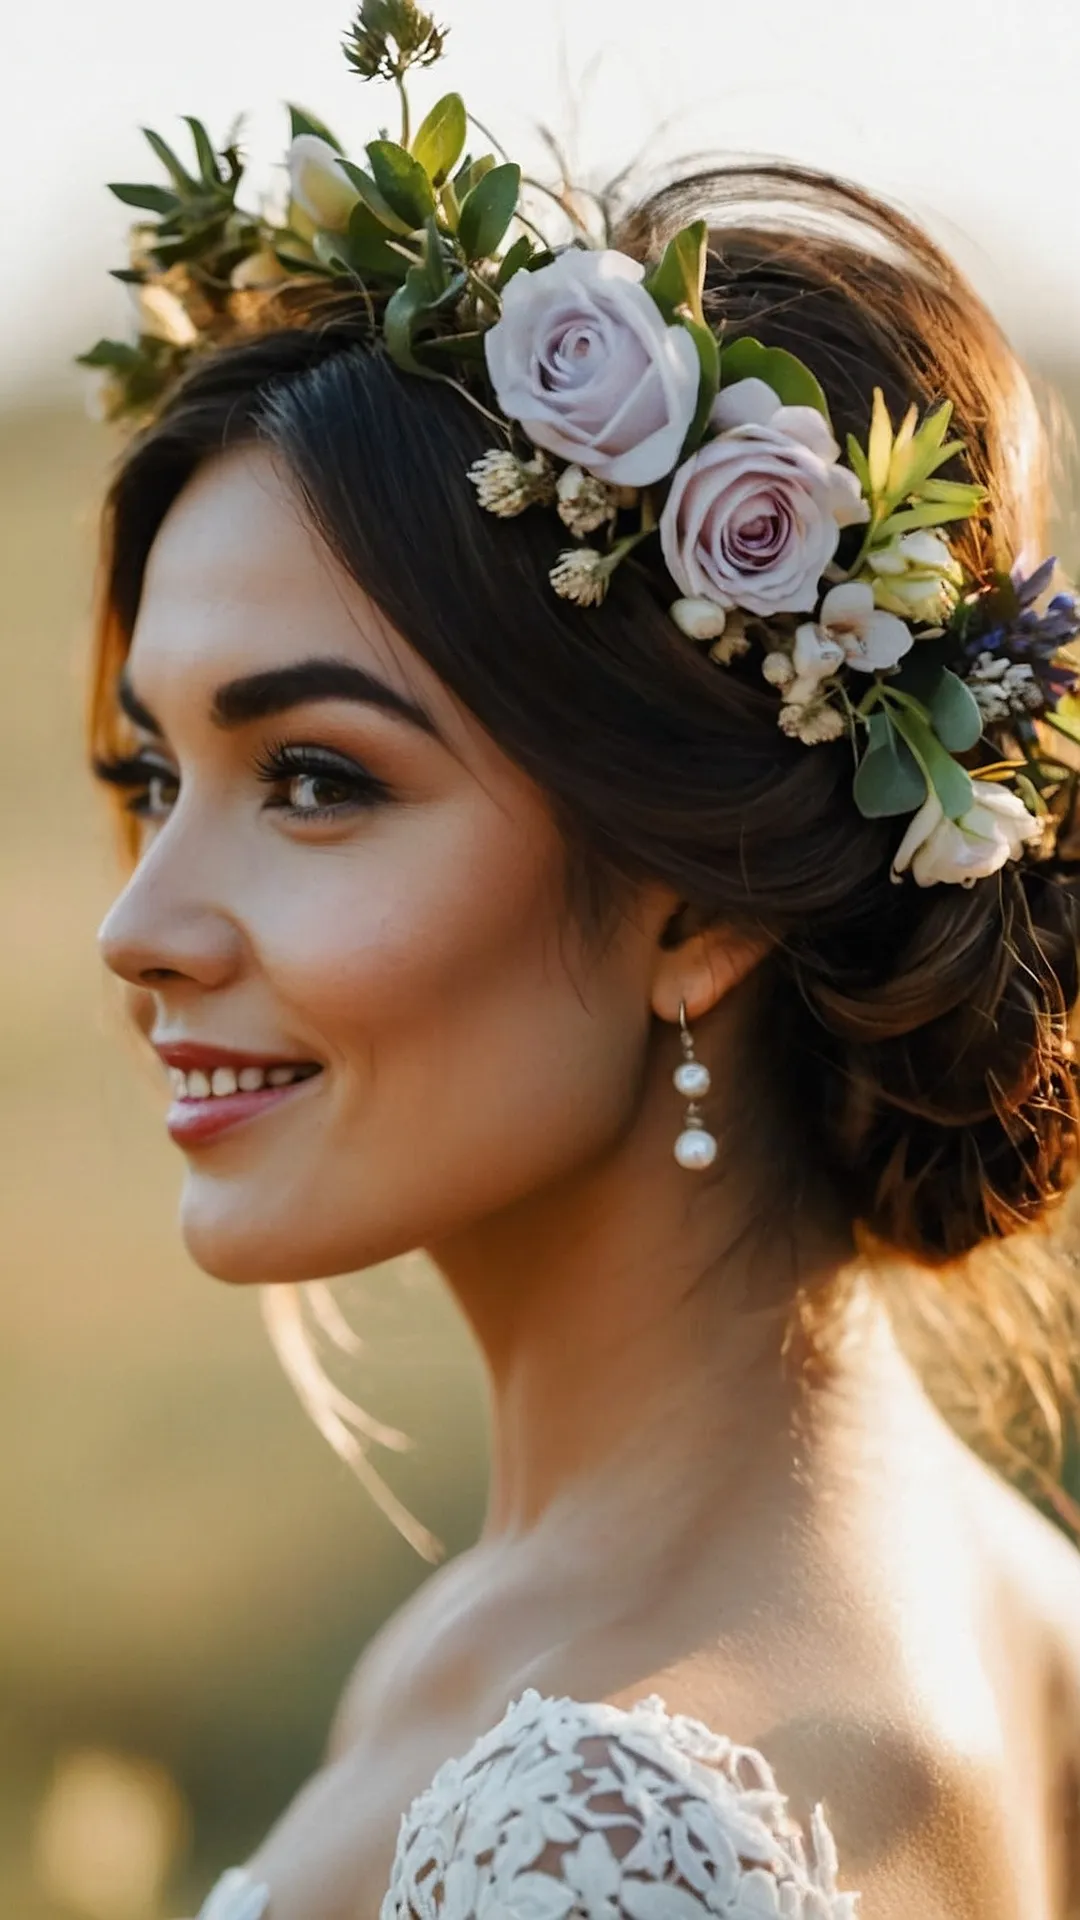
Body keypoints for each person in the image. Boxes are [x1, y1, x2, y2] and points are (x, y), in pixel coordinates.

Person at [82, 8, 1080, 1914]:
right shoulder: (1012, 1606)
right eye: (151, 769)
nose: (140, 927)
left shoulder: (597, 1835)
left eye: (312, 777)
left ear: (697, 905)